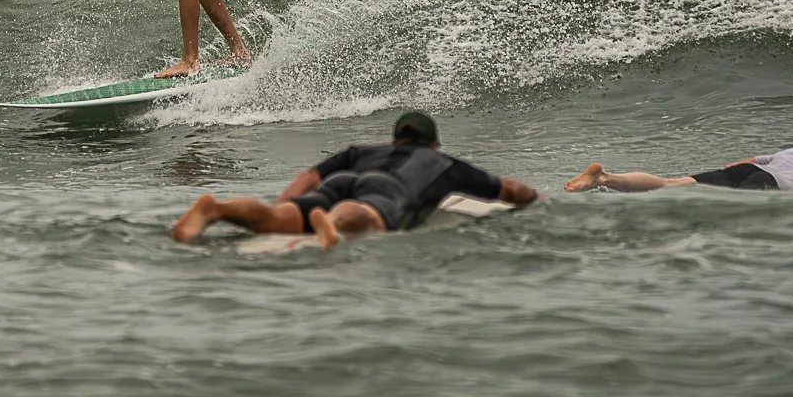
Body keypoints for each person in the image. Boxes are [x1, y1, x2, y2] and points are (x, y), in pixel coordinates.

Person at [170, 111, 539, 248]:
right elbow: (510, 190)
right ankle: (330, 223)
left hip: (340, 181)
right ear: (433, 141)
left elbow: (308, 176)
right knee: (366, 213)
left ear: (396, 138)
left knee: (275, 219)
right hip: (383, 194)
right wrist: (533, 198)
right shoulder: (443, 163)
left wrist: (287, 204)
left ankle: (215, 210)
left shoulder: (362, 151)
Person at [563, 126, 793, 193]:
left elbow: (750, 158)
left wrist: (724, 171)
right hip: (768, 185)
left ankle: (605, 178)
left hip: (749, 170)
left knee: (672, 184)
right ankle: (603, 180)